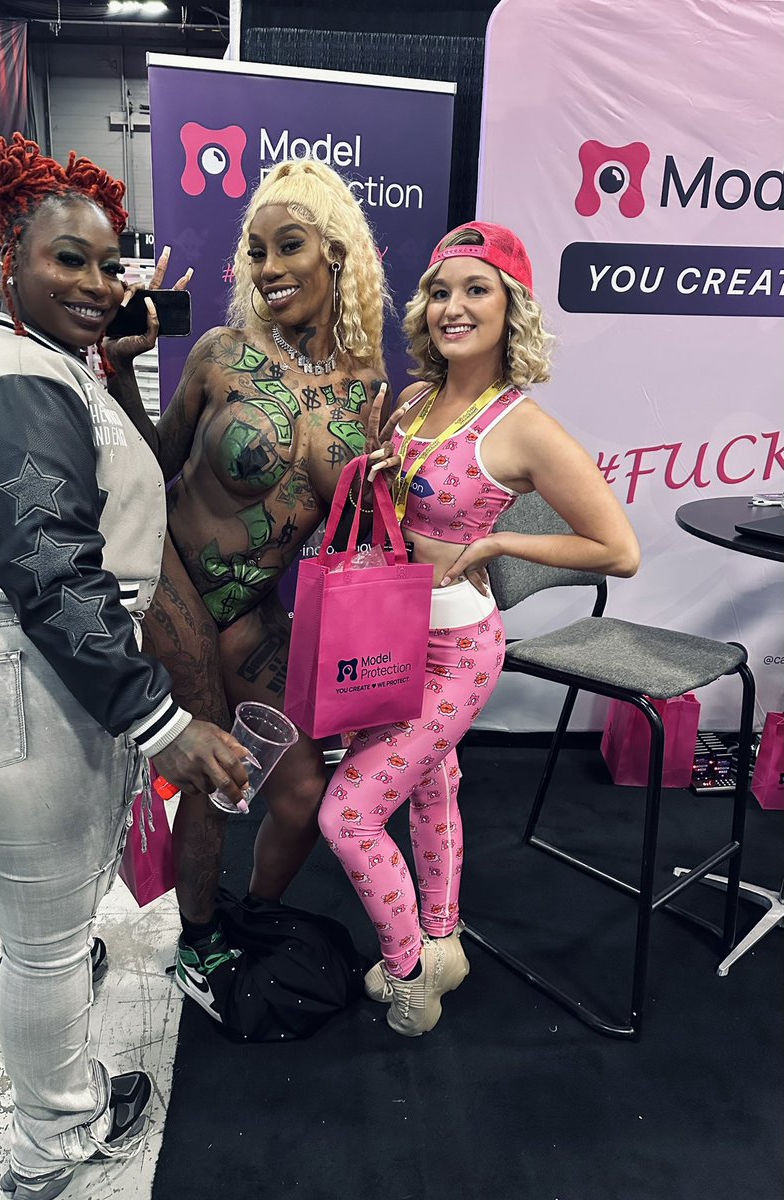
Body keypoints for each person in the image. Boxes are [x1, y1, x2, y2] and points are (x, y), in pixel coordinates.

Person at [0, 132, 250, 1200]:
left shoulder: (36, 364)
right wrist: (160, 720)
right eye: (68, 260)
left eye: (108, 264)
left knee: (45, 932)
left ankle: (59, 1100)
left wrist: (113, 358)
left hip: (6, 667)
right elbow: (48, 564)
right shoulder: (12, 375)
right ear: (9, 259)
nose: (97, 283)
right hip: (14, 665)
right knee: (45, 947)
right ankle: (54, 1140)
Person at [318, 221, 641, 1037]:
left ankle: (409, 978)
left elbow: (617, 550)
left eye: (475, 290)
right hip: (387, 633)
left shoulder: (521, 427)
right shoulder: (412, 402)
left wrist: (496, 543)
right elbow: (397, 512)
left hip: (456, 649)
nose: (451, 308)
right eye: (439, 291)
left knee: (347, 816)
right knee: (432, 785)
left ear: (510, 309)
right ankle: (443, 943)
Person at [112, 158, 396, 1021]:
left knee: (303, 792)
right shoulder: (221, 354)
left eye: (288, 246)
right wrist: (121, 370)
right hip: (169, 581)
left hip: (253, 610)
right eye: (257, 251)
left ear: (336, 254)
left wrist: (385, 490)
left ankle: (250, 914)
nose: (268, 268)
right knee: (212, 769)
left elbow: (351, 530)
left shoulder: (368, 384)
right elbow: (154, 465)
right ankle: (197, 940)